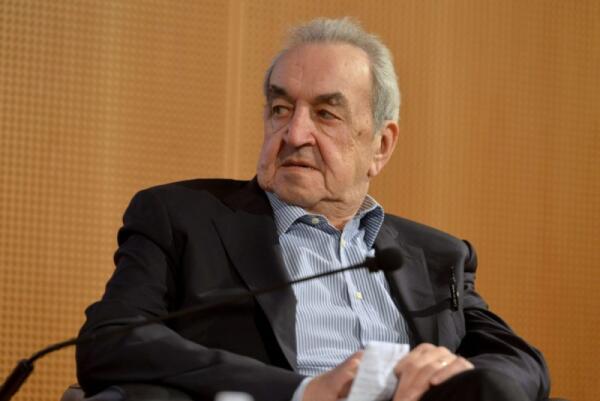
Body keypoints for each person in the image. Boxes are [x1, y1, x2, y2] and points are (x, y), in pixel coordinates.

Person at [76, 17, 550, 401]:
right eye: (281, 109)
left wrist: (456, 374)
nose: (295, 134)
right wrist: (301, 391)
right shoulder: (182, 219)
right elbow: (111, 339)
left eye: (326, 114)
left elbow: (523, 363)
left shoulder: (436, 255)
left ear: (381, 145)